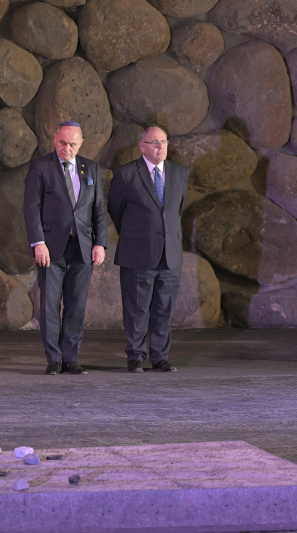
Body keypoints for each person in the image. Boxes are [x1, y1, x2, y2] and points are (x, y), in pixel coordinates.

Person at [24, 121, 107, 375]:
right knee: (49, 305)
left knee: (76, 305)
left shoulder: (90, 168)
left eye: (72, 144)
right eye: (62, 142)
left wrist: (100, 243)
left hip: (82, 248)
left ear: (81, 143)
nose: (66, 148)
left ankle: (70, 358)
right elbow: (31, 208)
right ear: (54, 139)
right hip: (51, 249)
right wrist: (39, 243)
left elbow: (99, 212)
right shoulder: (41, 167)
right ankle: (53, 360)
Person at [108, 124, 188, 373]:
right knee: (136, 308)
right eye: (154, 143)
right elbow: (116, 210)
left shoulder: (179, 172)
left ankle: (160, 357)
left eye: (163, 142)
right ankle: (135, 356)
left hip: (170, 254)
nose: (160, 147)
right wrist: (137, 237)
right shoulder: (126, 174)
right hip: (138, 253)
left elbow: (176, 211)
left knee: (164, 308)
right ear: (142, 146)